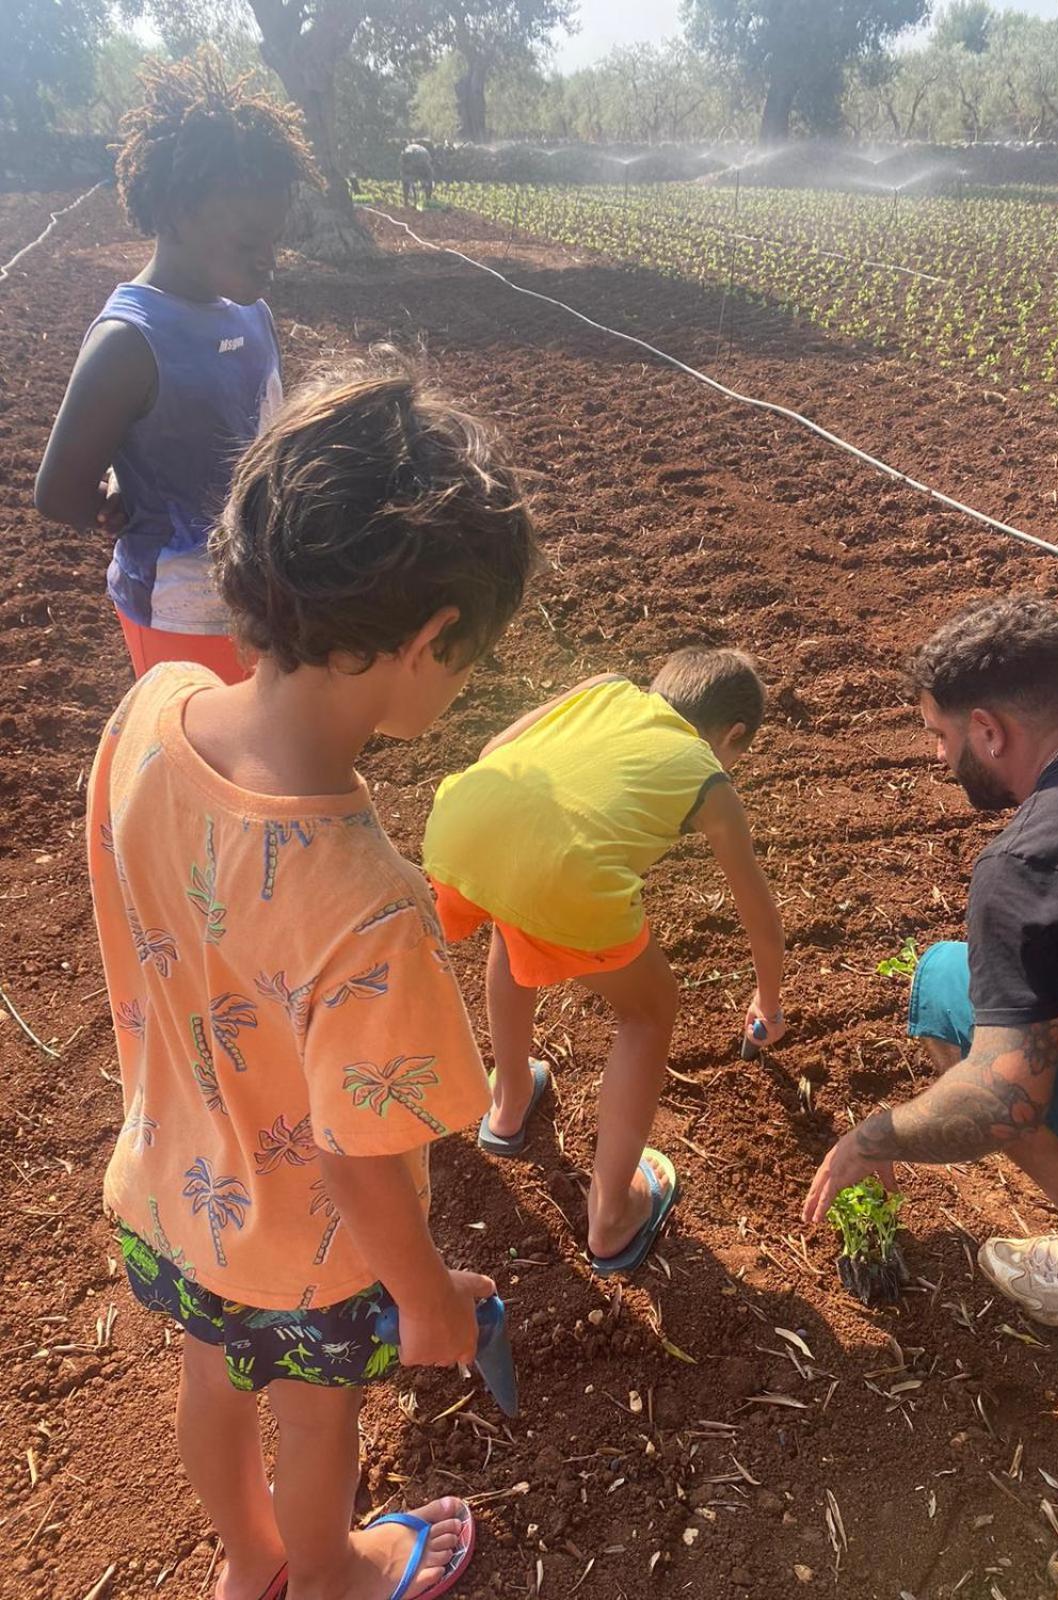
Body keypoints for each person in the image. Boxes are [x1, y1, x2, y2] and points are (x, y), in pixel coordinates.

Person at [87, 362, 537, 1600]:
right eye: (470, 660)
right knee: (314, 1416)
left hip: (174, 1190)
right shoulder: (368, 903)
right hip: (309, 1248)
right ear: (434, 640)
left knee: (207, 1378)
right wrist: (428, 1295)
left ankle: (250, 1568)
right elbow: (355, 1154)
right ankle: (332, 1571)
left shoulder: (153, 709)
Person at [804, 597, 1058, 1347]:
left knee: (950, 986)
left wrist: (871, 1138)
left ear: (988, 730)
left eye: (940, 735)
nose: (938, 756)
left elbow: (1002, 1104)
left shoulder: (1027, 867)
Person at [423, 651, 787, 1275]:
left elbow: (491, 747)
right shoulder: (708, 775)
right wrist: (769, 1002)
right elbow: (756, 904)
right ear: (732, 737)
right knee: (649, 1013)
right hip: (563, 876)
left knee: (511, 931)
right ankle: (612, 1215)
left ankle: (507, 1105)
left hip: (459, 827)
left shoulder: (606, 688)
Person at [36, 54, 318, 685]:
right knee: (183, 760)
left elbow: (264, 437)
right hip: (178, 615)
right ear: (175, 215)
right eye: (250, 245)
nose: (269, 260)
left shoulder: (253, 316)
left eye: (274, 241)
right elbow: (56, 492)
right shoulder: (128, 343)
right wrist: (105, 505)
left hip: (262, 599)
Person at [401, 143, 435, 208]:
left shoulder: (410, 154)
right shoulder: (408, 153)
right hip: (420, 158)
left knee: (407, 182)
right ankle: (427, 200)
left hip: (420, 159)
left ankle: (407, 202)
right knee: (426, 182)